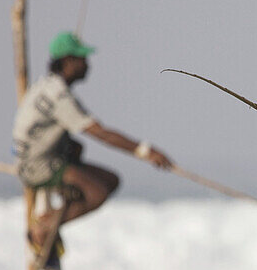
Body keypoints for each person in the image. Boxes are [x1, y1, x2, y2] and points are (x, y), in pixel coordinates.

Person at [12, 31, 173, 252]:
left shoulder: (47, 85)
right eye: (82, 59)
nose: (87, 65)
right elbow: (100, 133)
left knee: (110, 179)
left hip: (48, 159)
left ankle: (54, 216)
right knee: (96, 194)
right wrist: (146, 151)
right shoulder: (58, 95)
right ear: (68, 61)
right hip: (36, 166)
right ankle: (44, 226)